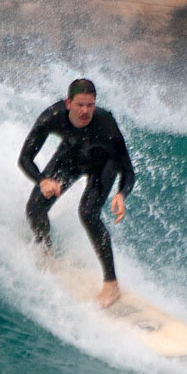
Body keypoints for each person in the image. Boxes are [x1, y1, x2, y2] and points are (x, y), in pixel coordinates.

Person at [18, 78, 134, 308]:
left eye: (90, 105)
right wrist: (42, 181)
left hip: (102, 165)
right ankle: (46, 251)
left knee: (88, 213)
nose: (85, 111)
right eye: (80, 105)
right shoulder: (51, 117)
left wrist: (121, 194)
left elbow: (128, 169)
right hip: (71, 158)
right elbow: (24, 158)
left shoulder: (106, 123)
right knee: (35, 208)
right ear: (68, 103)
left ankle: (112, 286)